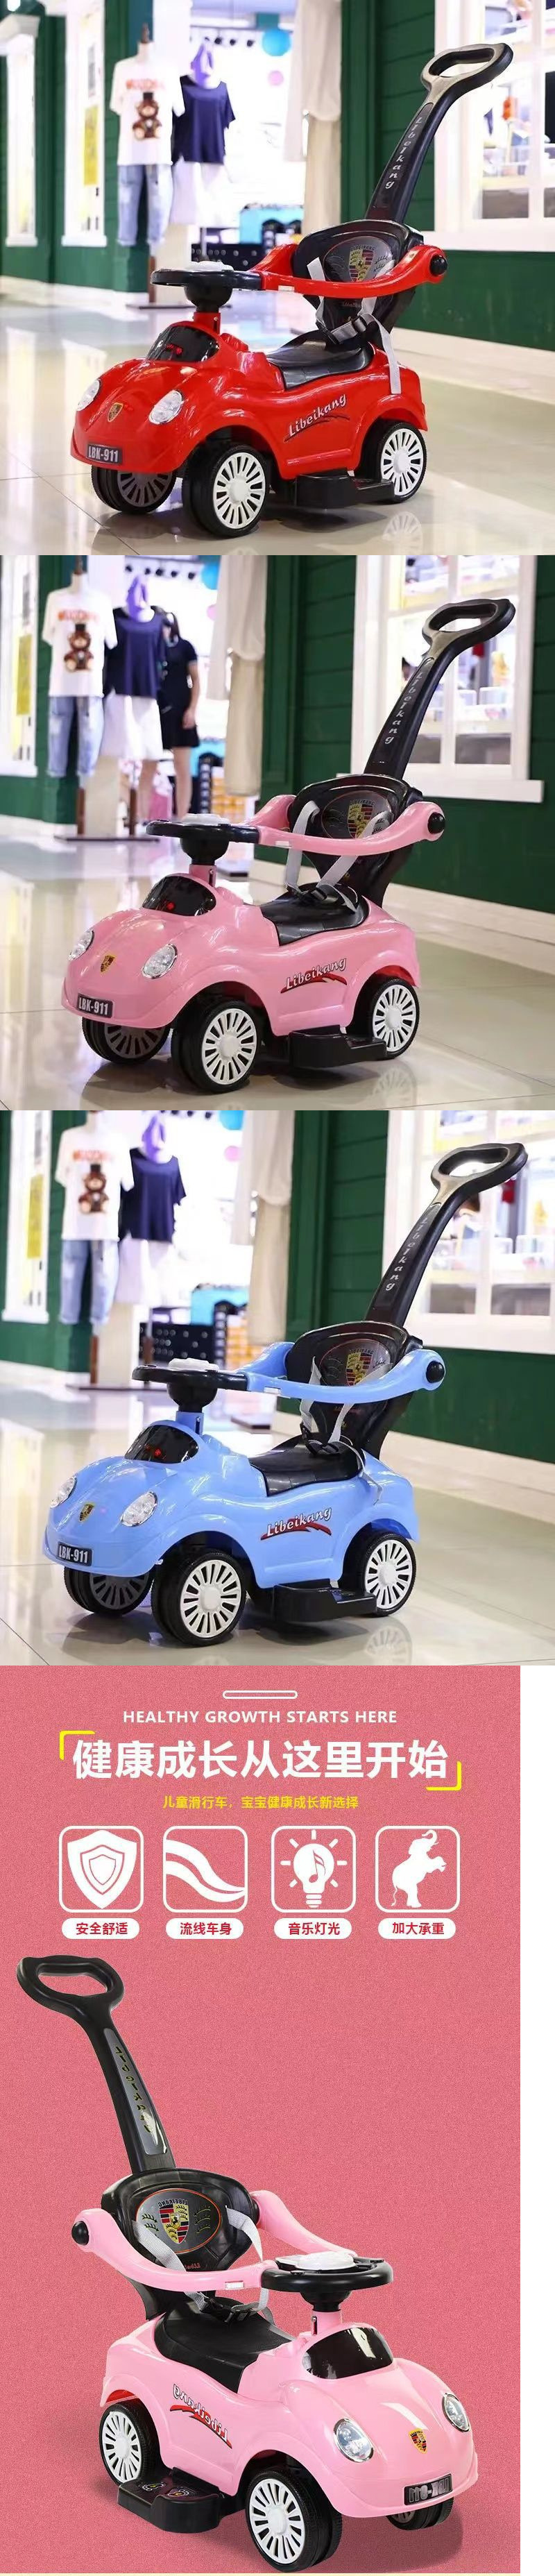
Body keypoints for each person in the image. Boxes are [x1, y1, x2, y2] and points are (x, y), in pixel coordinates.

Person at [157, 611, 200, 815]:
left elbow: (196, 680)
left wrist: (192, 709)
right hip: (157, 710)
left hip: (182, 709)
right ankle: (142, 817)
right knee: (148, 765)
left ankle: (183, 816)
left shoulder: (185, 647)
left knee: (182, 767)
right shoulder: (153, 647)